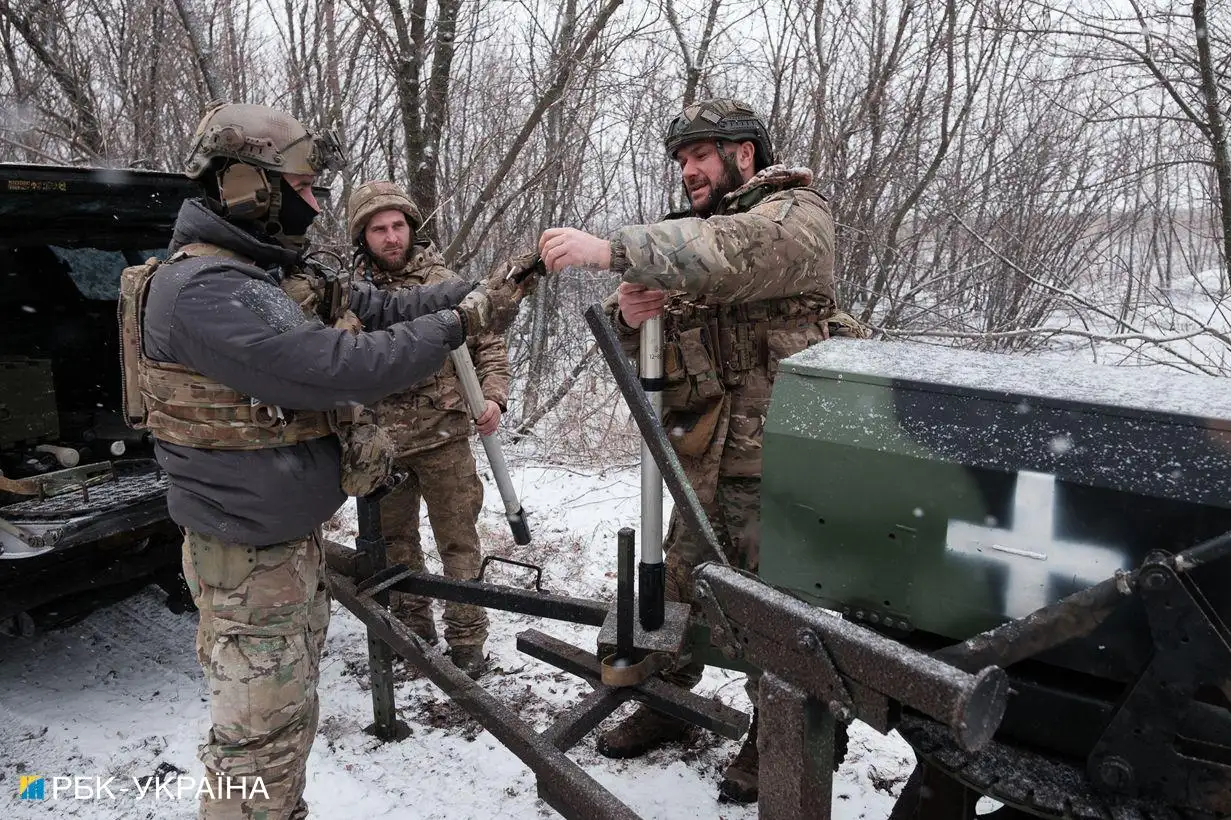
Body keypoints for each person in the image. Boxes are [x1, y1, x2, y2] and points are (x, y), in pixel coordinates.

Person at [118, 101, 522, 820]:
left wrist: (476, 290)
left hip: (276, 545)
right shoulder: (209, 290)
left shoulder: (259, 274)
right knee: (256, 745)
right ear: (249, 187)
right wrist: (463, 319)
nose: (317, 204)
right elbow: (343, 363)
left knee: (284, 726)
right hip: (246, 560)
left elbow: (368, 302)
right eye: (306, 188)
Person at [538, 98, 851, 803]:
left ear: (745, 152)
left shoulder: (797, 216)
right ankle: (666, 703)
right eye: (681, 160)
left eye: (700, 155)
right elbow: (654, 346)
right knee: (679, 590)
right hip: (700, 457)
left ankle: (791, 740)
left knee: (773, 615)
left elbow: (733, 255)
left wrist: (612, 247)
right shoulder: (690, 234)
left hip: (778, 464)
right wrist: (630, 313)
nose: (688, 171)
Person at [345, 181, 509, 679]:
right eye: (379, 229)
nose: (391, 237)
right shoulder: (348, 293)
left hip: (444, 438)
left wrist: (495, 395)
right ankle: (412, 634)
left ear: (411, 228)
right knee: (395, 546)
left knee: (459, 542)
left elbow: (489, 344)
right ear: (363, 236)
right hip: (381, 446)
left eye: (398, 226)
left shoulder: (445, 283)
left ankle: (467, 640)